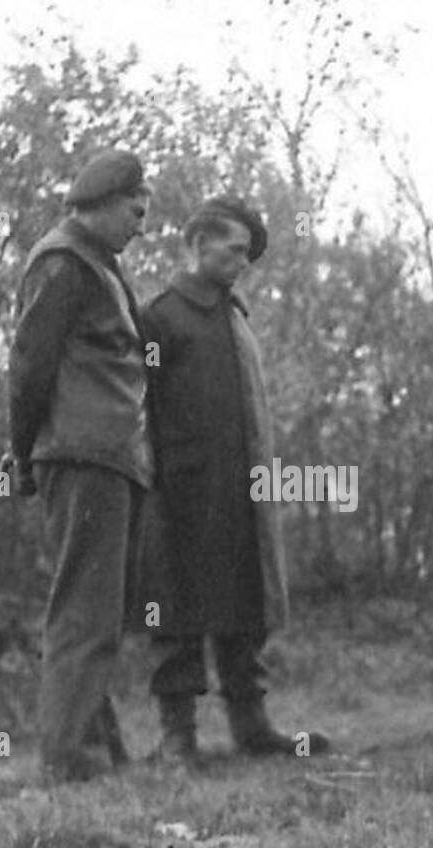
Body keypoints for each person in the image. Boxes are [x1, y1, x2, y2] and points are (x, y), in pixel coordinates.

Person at [137, 195, 330, 761]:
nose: (242, 261)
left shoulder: (234, 317)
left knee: (245, 607)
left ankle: (252, 726)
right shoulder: (159, 318)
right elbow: (137, 404)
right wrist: (158, 478)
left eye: (247, 254)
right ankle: (178, 737)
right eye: (233, 249)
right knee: (177, 613)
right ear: (197, 245)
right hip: (180, 492)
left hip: (243, 490)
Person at [7, 148, 152, 782]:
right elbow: (28, 367)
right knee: (83, 613)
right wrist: (21, 454)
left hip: (107, 455)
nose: (140, 224)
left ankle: (101, 751)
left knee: (97, 611)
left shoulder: (96, 265)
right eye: (133, 210)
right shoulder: (63, 263)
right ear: (99, 203)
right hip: (82, 453)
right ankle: (69, 761)